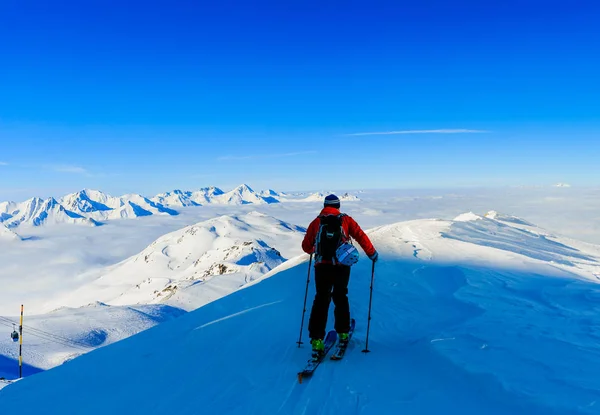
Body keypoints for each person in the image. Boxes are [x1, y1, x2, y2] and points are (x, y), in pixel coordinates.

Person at [301, 194, 378, 356]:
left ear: (324, 205)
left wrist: (317, 251)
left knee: (321, 299)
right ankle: (343, 333)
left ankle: (316, 340)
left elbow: (306, 246)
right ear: (338, 206)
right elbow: (361, 236)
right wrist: (372, 254)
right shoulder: (346, 220)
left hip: (322, 267)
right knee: (340, 296)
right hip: (342, 266)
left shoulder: (316, 222)